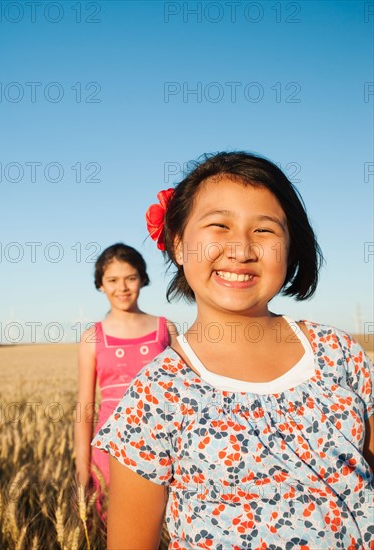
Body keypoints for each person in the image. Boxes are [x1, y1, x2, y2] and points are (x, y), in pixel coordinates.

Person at [91, 153, 374, 549]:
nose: (241, 249)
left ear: (292, 248)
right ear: (178, 243)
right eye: (219, 226)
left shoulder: (338, 352)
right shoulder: (155, 395)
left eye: (265, 231)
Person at [74, 243, 177, 518]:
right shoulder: (92, 337)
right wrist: (83, 473)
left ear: (143, 279)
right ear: (100, 285)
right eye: (112, 280)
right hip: (108, 452)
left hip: (162, 446)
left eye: (130, 278)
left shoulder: (165, 329)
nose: (122, 287)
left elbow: (183, 394)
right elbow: (84, 408)